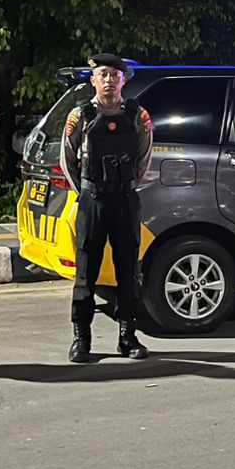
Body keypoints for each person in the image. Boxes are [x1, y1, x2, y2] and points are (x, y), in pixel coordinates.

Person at [60, 53, 154, 363]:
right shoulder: (81, 115)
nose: (109, 80)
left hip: (125, 200)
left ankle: (127, 337)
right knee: (86, 272)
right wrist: (87, 191)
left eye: (115, 74)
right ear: (93, 80)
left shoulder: (137, 116)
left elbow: (143, 157)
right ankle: (82, 339)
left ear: (123, 80)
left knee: (128, 272)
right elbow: (67, 159)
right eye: (103, 74)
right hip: (93, 201)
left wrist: (127, 184)